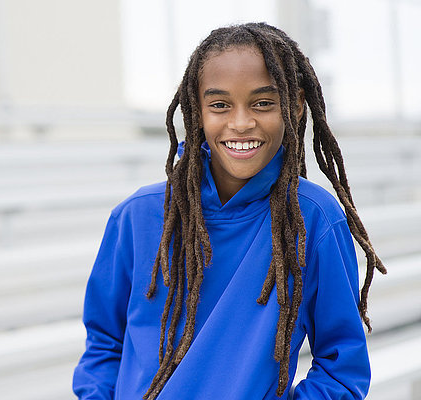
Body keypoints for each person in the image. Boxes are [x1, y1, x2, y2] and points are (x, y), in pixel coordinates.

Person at [72, 22, 386, 399]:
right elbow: (104, 345)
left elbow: (341, 367)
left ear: (295, 106)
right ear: (196, 110)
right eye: (220, 105)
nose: (241, 123)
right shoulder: (137, 216)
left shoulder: (314, 219)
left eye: (263, 103)